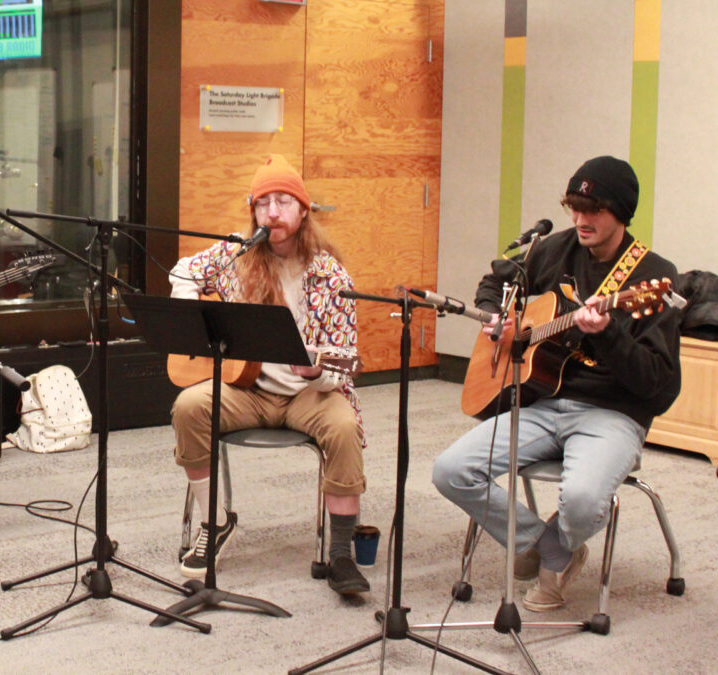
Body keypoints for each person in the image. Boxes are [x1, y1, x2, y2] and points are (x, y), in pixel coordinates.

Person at [432, 155, 681, 612]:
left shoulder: (650, 279)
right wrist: (499, 317)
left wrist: (607, 333)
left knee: (585, 500)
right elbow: (495, 281)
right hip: (542, 401)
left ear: (621, 213)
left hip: (613, 414)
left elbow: (660, 387)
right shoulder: (553, 249)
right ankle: (550, 546)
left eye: (593, 211)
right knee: (450, 471)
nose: (580, 220)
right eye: (574, 207)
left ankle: (554, 549)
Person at [168, 154, 370, 596]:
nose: (273, 212)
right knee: (188, 407)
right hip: (248, 388)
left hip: (307, 395)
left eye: (283, 202)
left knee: (343, 427)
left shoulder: (330, 274)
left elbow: (343, 360)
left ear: (303, 211)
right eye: (264, 204)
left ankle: (340, 554)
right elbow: (183, 270)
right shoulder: (235, 255)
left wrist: (317, 371)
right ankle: (214, 522)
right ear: (253, 211)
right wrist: (194, 314)